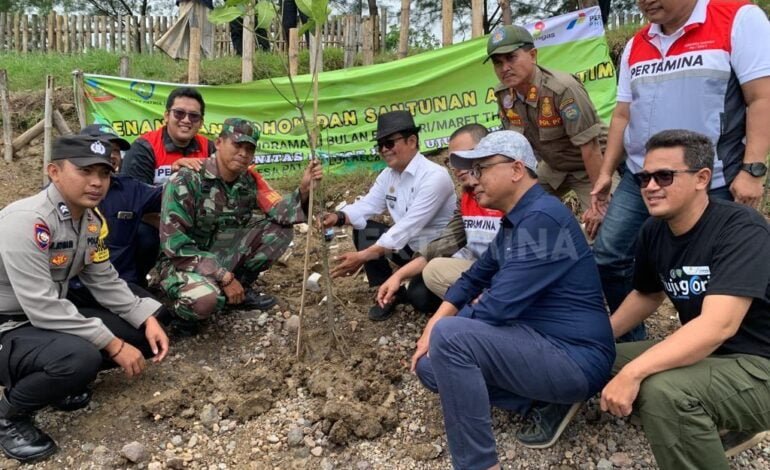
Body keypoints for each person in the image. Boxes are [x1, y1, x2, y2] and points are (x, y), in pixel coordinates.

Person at [412, 131, 615, 468]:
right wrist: (434, 322)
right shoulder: (515, 221)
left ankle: (478, 463)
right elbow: (475, 277)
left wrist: (444, 330)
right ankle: (540, 403)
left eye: (482, 169)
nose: (472, 182)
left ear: (517, 169)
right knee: (431, 367)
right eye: (471, 172)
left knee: (450, 339)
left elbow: (496, 306)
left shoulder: (543, 220)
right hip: (537, 341)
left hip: (574, 356)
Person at [591, 0, 770, 341]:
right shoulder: (637, 44)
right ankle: (632, 343)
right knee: (608, 257)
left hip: (710, 178)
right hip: (641, 176)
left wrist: (754, 169)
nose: (644, 1)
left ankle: (717, 351)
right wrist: (605, 171)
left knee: (708, 273)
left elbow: (761, 98)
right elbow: (623, 114)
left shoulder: (737, 19)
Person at [600, 129, 770, 469]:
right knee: (598, 356)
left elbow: (717, 326)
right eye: (643, 177)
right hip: (709, 356)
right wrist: (597, 336)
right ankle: (705, 427)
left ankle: (723, 422)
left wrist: (633, 374)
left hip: (759, 364)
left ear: (702, 178)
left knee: (666, 392)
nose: (650, 186)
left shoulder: (740, 228)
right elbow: (648, 294)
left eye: (664, 176)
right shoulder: (653, 230)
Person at [0, 135, 169, 463]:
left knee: (143, 336)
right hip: (8, 325)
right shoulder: (27, 221)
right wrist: (113, 345)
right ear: (54, 171)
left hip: (41, 321)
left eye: (104, 173)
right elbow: (42, 306)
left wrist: (146, 318)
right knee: (82, 357)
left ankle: (58, 382)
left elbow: (105, 281)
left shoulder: (90, 222)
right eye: (85, 171)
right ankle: (9, 417)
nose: (96, 182)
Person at [156, 118, 322, 322]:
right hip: (183, 261)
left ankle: (239, 292)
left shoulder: (248, 181)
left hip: (220, 253)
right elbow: (175, 245)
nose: (243, 153)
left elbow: (282, 214)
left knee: (279, 231)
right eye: (237, 145)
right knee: (205, 299)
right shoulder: (186, 180)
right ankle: (181, 316)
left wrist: (304, 189)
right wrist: (224, 277)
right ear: (218, 143)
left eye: (249, 149)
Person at [322, 110, 456, 321]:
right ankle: (386, 291)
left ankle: (411, 285)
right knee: (364, 229)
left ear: (412, 141)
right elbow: (368, 204)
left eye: (390, 143)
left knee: (420, 299)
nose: (384, 150)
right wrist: (338, 217)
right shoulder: (388, 175)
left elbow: (409, 226)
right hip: (406, 247)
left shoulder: (435, 177)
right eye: (380, 145)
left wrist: (362, 256)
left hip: (433, 254)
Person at [487, 24, 611, 239]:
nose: (504, 67)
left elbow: (590, 148)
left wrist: (600, 201)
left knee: (609, 228)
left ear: (533, 55)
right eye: (498, 62)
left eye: (511, 58)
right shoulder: (504, 95)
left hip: (591, 166)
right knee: (516, 211)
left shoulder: (562, 88)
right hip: (553, 167)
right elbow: (517, 147)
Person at [377, 124, 503, 313]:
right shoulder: (467, 198)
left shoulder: (509, 194)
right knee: (421, 293)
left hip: (506, 272)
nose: (457, 167)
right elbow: (444, 243)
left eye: (465, 156)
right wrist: (399, 276)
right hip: (477, 269)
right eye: (452, 161)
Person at [67, 125, 162, 303]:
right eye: (104, 147)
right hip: (74, 288)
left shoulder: (131, 189)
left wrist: (185, 173)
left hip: (121, 285)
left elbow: (171, 194)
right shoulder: (62, 193)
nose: (111, 155)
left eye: (116, 150)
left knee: (158, 317)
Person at [122, 87, 216, 186]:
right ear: (167, 116)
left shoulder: (210, 148)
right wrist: (173, 176)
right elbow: (134, 196)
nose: (186, 120)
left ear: (201, 123)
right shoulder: (143, 148)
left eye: (194, 116)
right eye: (179, 113)